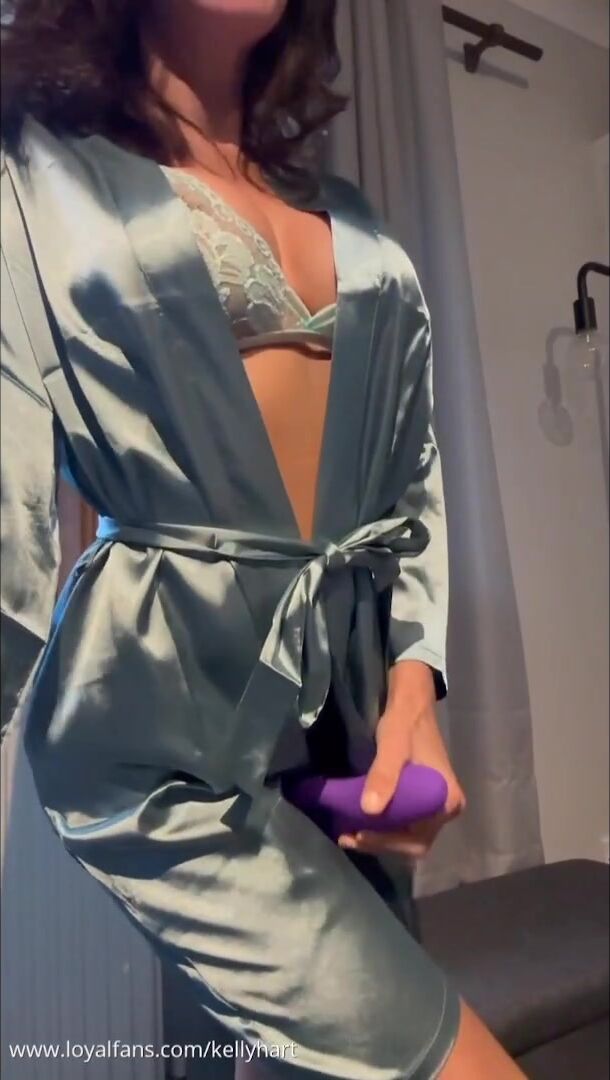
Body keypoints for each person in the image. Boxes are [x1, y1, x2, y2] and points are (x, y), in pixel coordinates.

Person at [0, 2, 527, 1077]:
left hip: (342, 738)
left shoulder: (353, 218)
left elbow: (411, 486)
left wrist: (414, 697)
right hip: (161, 757)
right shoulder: (34, 177)